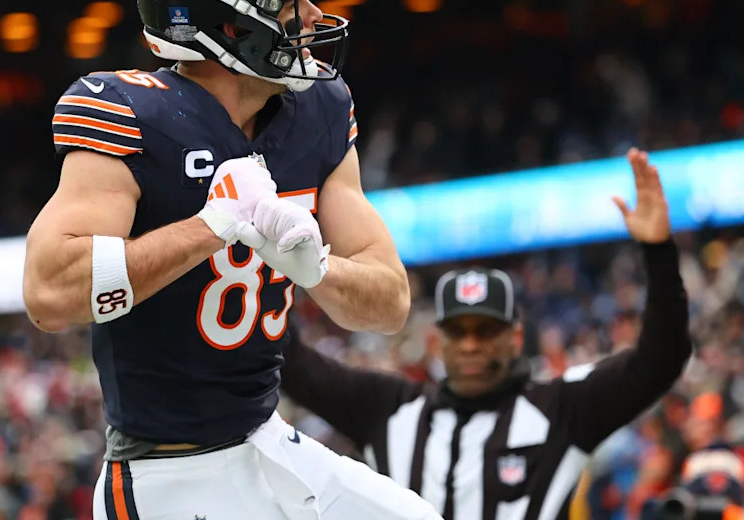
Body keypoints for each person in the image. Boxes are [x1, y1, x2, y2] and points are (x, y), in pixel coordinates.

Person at [22, 0, 440, 520]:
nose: (314, 18)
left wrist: (315, 266)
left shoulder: (318, 110)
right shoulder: (132, 114)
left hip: (265, 440)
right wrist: (210, 229)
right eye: (291, 3)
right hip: (166, 469)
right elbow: (49, 294)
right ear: (230, 26)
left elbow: (388, 304)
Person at [280, 149, 693, 520]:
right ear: (438, 340)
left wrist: (658, 253)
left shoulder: (561, 409)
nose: (471, 344)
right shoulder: (388, 408)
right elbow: (291, 361)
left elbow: (659, 360)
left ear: (515, 337)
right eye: (458, 332)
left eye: (486, 330)